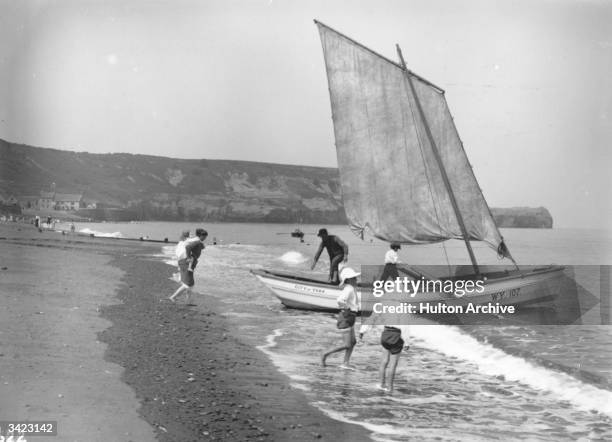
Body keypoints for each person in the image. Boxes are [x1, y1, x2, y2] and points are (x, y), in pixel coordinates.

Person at [321, 267, 360, 369]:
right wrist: (346, 309)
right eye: (354, 278)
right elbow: (340, 300)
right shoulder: (349, 289)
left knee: (353, 342)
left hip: (350, 317)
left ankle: (346, 363)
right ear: (348, 280)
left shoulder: (351, 288)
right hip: (346, 318)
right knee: (347, 344)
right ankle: (326, 354)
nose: (356, 280)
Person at [359, 325, 407, 393]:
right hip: (396, 335)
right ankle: (390, 388)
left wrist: (362, 331)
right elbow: (405, 327)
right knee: (393, 364)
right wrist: (407, 343)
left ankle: (381, 384)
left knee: (384, 361)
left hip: (385, 333)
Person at [169, 228, 208, 305]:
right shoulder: (196, 241)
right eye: (204, 237)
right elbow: (188, 247)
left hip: (188, 263)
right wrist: (188, 257)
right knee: (188, 284)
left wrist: (201, 245)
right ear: (200, 236)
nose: (205, 238)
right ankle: (173, 297)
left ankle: (188, 302)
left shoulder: (197, 241)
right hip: (186, 263)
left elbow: (200, 247)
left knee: (191, 284)